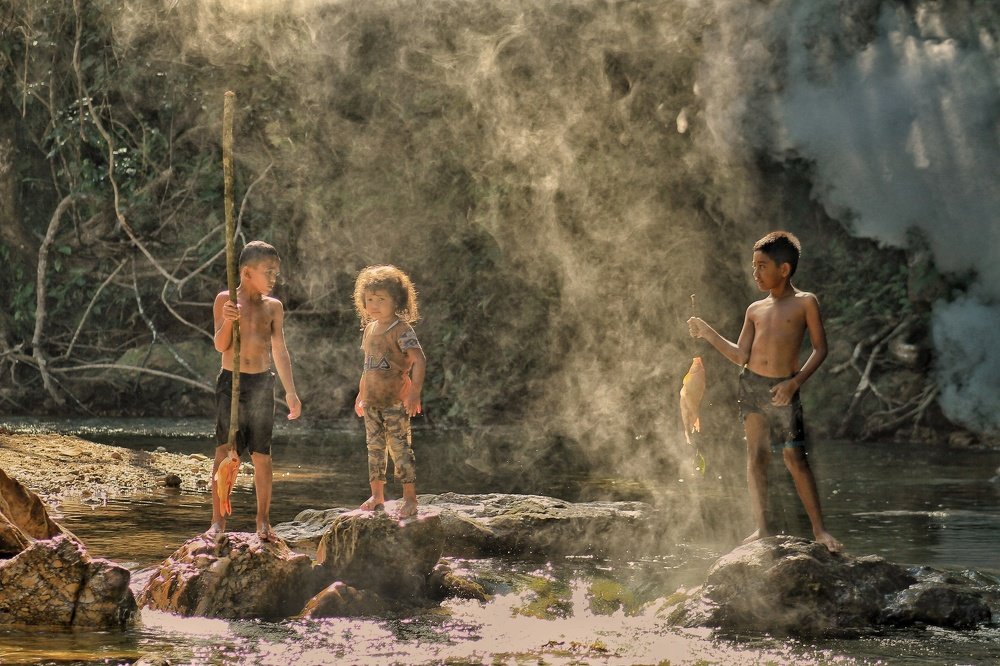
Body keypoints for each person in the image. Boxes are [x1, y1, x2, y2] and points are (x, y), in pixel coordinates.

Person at [687, 231, 841, 553]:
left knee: (794, 458)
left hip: (785, 386)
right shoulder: (754, 309)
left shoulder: (805, 302)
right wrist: (707, 332)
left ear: (784, 270)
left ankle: (820, 531)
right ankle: (761, 528)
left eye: (762, 266)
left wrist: (794, 383)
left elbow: (820, 348)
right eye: (753, 266)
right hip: (752, 385)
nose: (755, 273)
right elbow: (741, 356)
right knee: (755, 457)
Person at [208, 240, 301, 542]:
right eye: (268, 272)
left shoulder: (273, 307)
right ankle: (217, 521)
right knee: (225, 451)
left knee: (262, 455)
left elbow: (279, 349)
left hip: (262, 383)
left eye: (276, 272)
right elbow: (220, 345)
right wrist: (227, 322)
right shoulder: (226, 300)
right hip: (231, 383)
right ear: (247, 272)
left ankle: (263, 520)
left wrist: (290, 391)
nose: (274, 278)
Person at [352, 264, 426, 520]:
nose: (373, 305)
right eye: (369, 299)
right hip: (372, 401)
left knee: (400, 447)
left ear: (396, 301)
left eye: (381, 299)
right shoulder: (370, 329)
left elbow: (419, 360)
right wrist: (360, 395)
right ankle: (377, 495)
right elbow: (367, 366)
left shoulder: (401, 329)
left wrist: (414, 393)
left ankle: (410, 498)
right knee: (374, 448)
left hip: (395, 401)